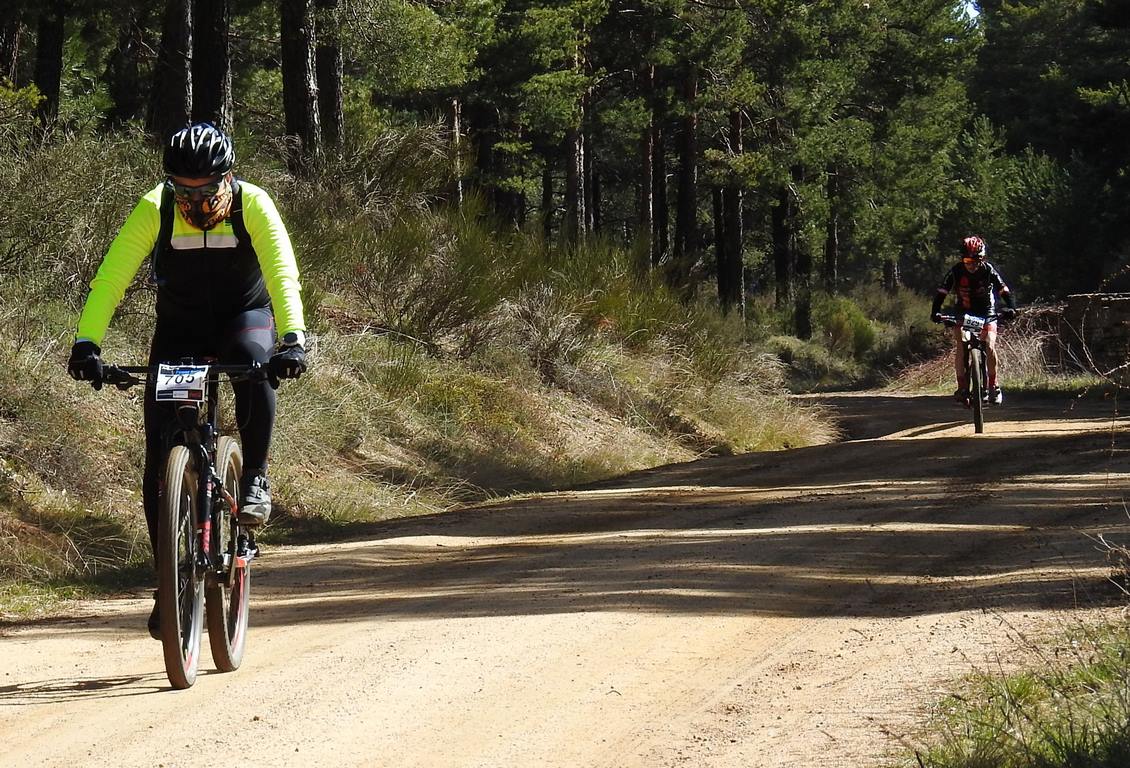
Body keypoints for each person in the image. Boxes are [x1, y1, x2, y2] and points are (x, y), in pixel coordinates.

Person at [66, 122, 307, 636]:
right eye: (184, 188)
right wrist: (88, 342)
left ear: (229, 177)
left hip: (245, 318)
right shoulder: (155, 207)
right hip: (180, 332)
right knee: (159, 458)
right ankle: (167, 581)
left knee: (253, 362)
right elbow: (112, 275)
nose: (195, 198)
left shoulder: (253, 204)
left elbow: (282, 273)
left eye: (206, 187)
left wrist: (293, 339)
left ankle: (256, 478)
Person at [930, 235, 1016, 405]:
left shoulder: (989, 270)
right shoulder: (956, 271)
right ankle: (962, 387)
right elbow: (942, 292)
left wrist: (1011, 307)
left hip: (987, 312)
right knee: (961, 344)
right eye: (968, 260)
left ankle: (993, 385)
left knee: (990, 345)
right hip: (964, 313)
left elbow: (1003, 290)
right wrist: (936, 312)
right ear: (962, 258)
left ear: (983, 258)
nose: (972, 264)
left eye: (977, 260)